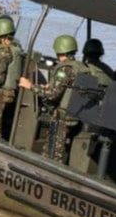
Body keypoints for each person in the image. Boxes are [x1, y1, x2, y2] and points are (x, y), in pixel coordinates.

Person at [18, 34, 89, 164]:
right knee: (60, 150)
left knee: (52, 154)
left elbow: (52, 94)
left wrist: (30, 86)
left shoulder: (65, 69)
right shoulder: (82, 68)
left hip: (61, 117)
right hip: (75, 116)